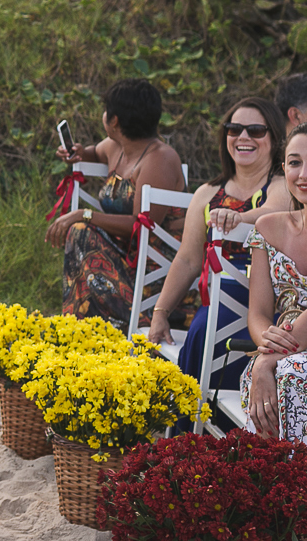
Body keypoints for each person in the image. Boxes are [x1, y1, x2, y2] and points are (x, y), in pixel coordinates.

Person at [149, 98, 289, 402]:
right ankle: (195, 424)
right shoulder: (207, 194)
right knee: (201, 329)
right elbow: (188, 260)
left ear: (275, 137)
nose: (243, 137)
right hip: (218, 295)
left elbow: (272, 212)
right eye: (234, 129)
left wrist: (238, 218)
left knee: (211, 326)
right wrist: (161, 311)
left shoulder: (281, 184)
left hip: (267, 299)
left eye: (255, 130)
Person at [47, 78, 187, 330]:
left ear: (114, 121)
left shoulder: (160, 159)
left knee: (80, 231)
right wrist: (77, 152)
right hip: (122, 254)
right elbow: (93, 152)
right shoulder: (116, 147)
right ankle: (85, 330)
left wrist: (83, 214)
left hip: (154, 270)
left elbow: (142, 226)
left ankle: (123, 325)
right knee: (81, 232)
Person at [240, 125, 307, 440]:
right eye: (295, 163)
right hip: (280, 351)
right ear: (284, 168)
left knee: (291, 375)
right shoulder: (267, 228)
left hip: (282, 358)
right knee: (277, 376)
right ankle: (271, 470)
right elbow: (258, 313)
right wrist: (266, 347)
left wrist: (266, 361)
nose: (303, 174)